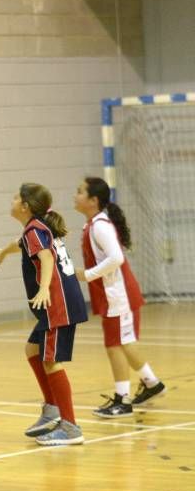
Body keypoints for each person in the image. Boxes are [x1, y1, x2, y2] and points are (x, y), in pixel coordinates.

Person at [0, 184, 88, 446]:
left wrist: (44, 289)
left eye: (14, 197)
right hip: (62, 302)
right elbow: (20, 244)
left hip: (58, 304)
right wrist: (4, 252)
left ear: (25, 206)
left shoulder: (35, 230)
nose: (11, 201)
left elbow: (46, 258)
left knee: (51, 361)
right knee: (33, 350)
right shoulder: (37, 226)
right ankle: (52, 409)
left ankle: (70, 427)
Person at [73, 177, 165, 417]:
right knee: (122, 342)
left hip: (118, 295)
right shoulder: (93, 224)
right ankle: (152, 383)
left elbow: (116, 258)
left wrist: (87, 275)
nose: (75, 195)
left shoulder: (100, 226)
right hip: (113, 295)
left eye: (80, 191)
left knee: (116, 345)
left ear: (93, 200)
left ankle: (122, 400)